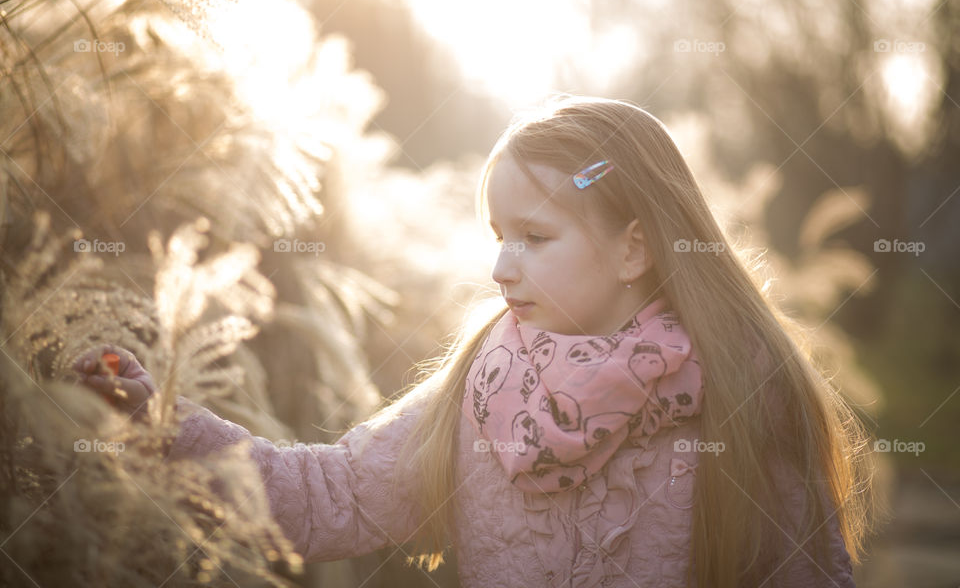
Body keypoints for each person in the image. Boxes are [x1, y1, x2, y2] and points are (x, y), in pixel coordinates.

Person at [75, 96, 875, 587]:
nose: (500, 265)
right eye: (497, 234)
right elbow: (327, 499)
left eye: (533, 235)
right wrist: (162, 425)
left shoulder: (740, 403)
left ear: (635, 249)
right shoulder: (481, 392)